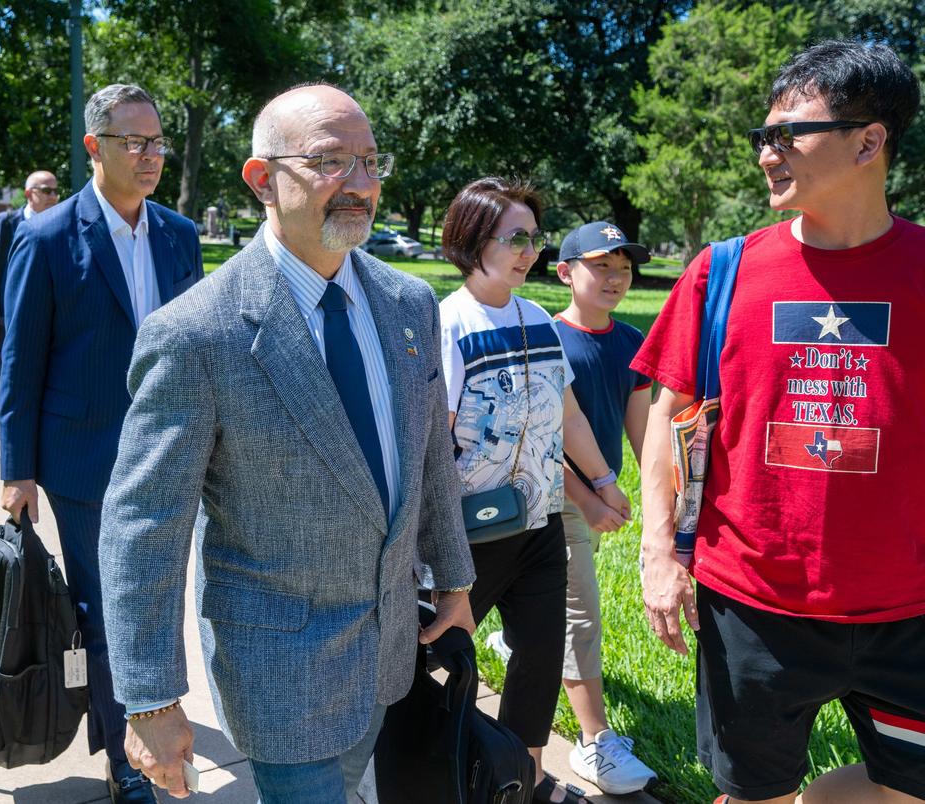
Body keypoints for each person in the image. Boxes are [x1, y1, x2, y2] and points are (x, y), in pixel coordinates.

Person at [97, 83, 477, 803]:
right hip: (279, 665)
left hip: (390, 645)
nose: (360, 186)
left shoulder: (407, 304)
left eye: (370, 162)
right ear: (261, 179)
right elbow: (142, 527)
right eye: (331, 161)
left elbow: (431, 459)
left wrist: (453, 582)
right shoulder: (196, 335)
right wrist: (149, 699)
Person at [633, 40, 925, 804]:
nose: (768, 154)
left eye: (788, 134)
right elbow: (667, 413)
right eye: (763, 136)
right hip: (753, 605)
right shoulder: (723, 270)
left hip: (910, 610)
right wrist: (658, 551)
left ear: (869, 141)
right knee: (751, 794)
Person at [0, 83, 202, 804]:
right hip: (85, 463)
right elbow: (23, 359)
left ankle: (151, 729)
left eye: (157, 143)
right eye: (133, 143)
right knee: (115, 613)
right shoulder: (48, 236)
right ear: (95, 146)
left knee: (156, 605)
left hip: (172, 458)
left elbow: (199, 348)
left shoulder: (179, 234)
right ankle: (131, 767)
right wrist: (17, 469)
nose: (149, 157)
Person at [438, 177, 630, 804]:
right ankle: (430, 774)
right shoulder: (449, 324)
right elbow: (433, 447)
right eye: (513, 237)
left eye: (533, 238)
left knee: (541, 657)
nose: (528, 251)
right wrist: (448, 570)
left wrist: (601, 479)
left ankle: (525, 779)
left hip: (540, 523)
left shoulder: (538, 322)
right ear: (472, 240)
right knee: (437, 662)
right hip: (470, 532)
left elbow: (567, 410)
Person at [551, 222, 657, 795]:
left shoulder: (632, 342)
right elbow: (537, 436)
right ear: (565, 272)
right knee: (580, 610)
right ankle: (595, 744)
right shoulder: (545, 337)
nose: (616, 277)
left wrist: (659, 503)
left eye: (624, 267)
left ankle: (519, 641)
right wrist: (589, 499)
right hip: (551, 492)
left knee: (558, 599)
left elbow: (642, 430)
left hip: (598, 489)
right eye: (602, 266)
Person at [0, 170, 60, 343]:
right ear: (28, 193)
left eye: (56, 191)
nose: (53, 196)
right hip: (9, 316)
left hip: (51, 316)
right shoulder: (2, 224)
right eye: (47, 191)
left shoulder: (62, 223)